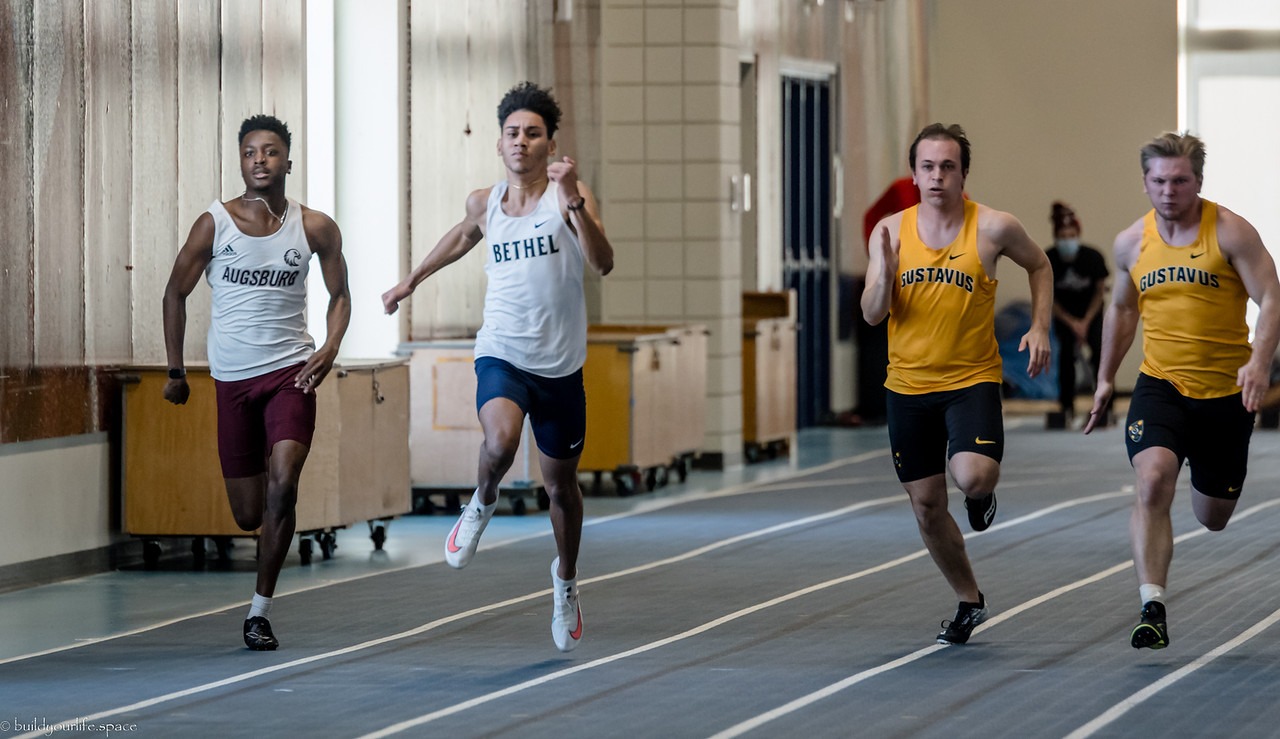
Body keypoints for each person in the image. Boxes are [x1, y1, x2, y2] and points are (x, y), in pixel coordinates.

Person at [382, 82, 614, 652]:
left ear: (550, 144)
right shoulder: (484, 202)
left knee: (561, 487)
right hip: (503, 350)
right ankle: (481, 500)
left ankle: (565, 583)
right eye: (513, 133)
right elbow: (462, 237)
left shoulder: (569, 197)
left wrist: (576, 202)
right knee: (501, 439)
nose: (521, 142)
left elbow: (602, 263)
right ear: (500, 143)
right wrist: (410, 282)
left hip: (560, 366)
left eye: (533, 133)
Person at [1083, 132, 1280, 650]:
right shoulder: (1132, 242)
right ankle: (1152, 605)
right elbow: (1123, 309)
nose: (1170, 191)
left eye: (1181, 181)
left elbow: (1271, 296)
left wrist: (1259, 363)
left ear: (1198, 181)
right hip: (1161, 385)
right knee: (1152, 479)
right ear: (1145, 182)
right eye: (1160, 181)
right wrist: (1106, 378)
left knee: (1211, 517)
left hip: (1225, 393)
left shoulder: (1231, 232)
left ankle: (1211, 477)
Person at [162, 114, 352, 651]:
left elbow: (341, 296)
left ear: (288, 161)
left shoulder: (314, 227)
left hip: (291, 373)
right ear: (240, 162)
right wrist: (176, 371)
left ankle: (259, 611)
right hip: (233, 382)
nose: (260, 160)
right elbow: (174, 293)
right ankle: (266, 545)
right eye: (250, 152)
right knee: (249, 512)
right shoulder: (213, 224)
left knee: (284, 481)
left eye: (270, 152)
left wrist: (329, 347)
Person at [861, 123, 1052, 645]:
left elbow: (1040, 265)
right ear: (915, 173)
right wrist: (885, 274)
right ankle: (969, 600)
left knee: (972, 477)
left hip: (971, 379)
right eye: (928, 167)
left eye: (948, 166)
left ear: (963, 173)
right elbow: (872, 315)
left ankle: (979, 496)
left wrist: (1039, 326)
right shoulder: (890, 232)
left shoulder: (993, 227)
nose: (937, 176)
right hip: (907, 386)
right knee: (925, 505)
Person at [1046, 202, 1109, 424]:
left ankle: (1104, 407)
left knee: (1100, 356)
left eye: (1071, 235)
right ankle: (1066, 406)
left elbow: (1100, 293)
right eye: (1063, 236)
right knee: (1064, 358)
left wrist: (1085, 321)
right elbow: (1048, 297)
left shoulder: (1093, 257)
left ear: (1078, 235)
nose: (1067, 240)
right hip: (1065, 315)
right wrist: (1072, 322)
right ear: (1056, 237)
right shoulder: (1048, 259)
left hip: (1091, 314)